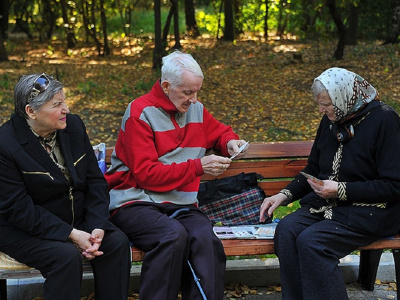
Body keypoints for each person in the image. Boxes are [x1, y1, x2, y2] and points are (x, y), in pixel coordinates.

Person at [105, 50, 248, 300]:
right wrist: (198, 167)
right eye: (188, 92)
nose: (194, 99)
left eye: (197, 92)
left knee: (206, 241)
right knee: (171, 236)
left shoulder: (196, 110)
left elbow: (220, 133)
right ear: (166, 86)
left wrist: (231, 143)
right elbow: (147, 175)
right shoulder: (140, 113)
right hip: (135, 202)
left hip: (180, 204)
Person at [259, 67, 400, 300]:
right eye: (320, 104)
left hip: (374, 210)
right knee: (286, 231)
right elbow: (313, 169)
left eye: (327, 104)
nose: (322, 110)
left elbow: (394, 185)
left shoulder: (385, 120)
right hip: (331, 204)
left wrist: (341, 190)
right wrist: (283, 196)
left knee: (313, 242)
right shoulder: (332, 119)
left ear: (345, 97)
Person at [0, 73, 132, 300]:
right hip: (23, 229)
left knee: (116, 243)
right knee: (65, 257)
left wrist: (97, 224)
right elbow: (18, 209)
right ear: (31, 111)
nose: (67, 110)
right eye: (57, 104)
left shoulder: (73, 126)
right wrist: (70, 234)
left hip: (76, 219)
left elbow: (95, 181)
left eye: (65, 101)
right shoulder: (6, 144)